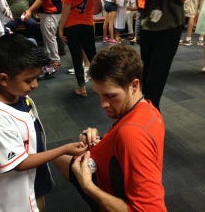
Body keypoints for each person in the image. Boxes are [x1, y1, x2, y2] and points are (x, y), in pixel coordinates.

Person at [0, 34, 88, 212]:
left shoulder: (17, 94)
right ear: (4, 79)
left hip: (33, 179)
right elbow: (19, 163)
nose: (35, 85)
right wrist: (64, 149)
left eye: (37, 77)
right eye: (29, 80)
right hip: (12, 196)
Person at [54, 44, 167, 212]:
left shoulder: (131, 134)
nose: (103, 104)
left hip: (108, 189)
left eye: (111, 96)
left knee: (59, 156)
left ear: (134, 85)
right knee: (60, 156)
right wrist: (101, 141)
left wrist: (88, 187)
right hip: (111, 168)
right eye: (99, 95)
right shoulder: (149, 110)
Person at [130, 0, 189, 110]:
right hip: (148, 23)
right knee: (145, 74)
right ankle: (146, 113)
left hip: (170, 26)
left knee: (157, 76)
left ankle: (151, 115)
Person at [59, 0, 99, 97]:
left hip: (72, 26)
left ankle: (82, 88)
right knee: (93, 56)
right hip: (88, 25)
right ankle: (100, 85)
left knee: (77, 58)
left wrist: (61, 28)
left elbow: (65, 11)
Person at [22, 0, 62, 76]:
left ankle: (55, 62)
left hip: (51, 12)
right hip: (47, 12)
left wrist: (30, 10)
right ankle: (50, 61)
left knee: (50, 37)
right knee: (48, 37)